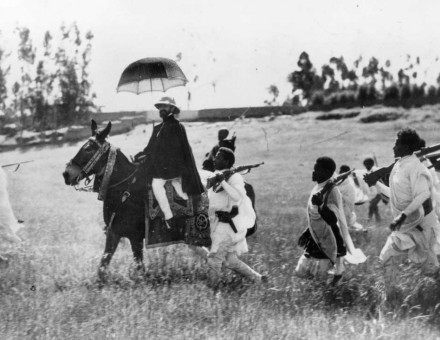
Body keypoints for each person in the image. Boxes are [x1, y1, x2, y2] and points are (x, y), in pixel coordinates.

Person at [377, 128, 440, 289]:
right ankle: (389, 297)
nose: (393, 147)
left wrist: (402, 216)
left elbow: (423, 195)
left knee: (431, 271)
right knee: (386, 257)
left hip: (424, 228)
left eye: (396, 143)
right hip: (406, 228)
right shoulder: (399, 167)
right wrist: (376, 184)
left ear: (405, 147)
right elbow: (397, 197)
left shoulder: (416, 168)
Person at [136, 97, 204, 229]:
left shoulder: (177, 126)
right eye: (160, 107)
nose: (162, 109)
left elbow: (179, 150)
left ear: (172, 109)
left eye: (165, 107)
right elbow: (150, 148)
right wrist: (141, 155)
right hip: (160, 167)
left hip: (173, 167)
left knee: (156, 185)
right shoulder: (157, 128)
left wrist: (161, 161)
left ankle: (169, 216)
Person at [296, 157, 365, 283]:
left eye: (316, 170)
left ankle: (338, 280)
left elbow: (332, 219)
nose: (313, 172)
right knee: (301, 272)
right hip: (316, 236)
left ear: (327, 173)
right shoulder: (320, 187)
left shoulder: (332, 192)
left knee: (321, 278)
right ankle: (336, 277)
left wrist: (321, 205)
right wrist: (308, 231)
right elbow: (314, 214)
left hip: (329, 237)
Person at [206, 147, 264, 285]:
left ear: (226, 161)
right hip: (220, 224)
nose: (214, 159)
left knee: (214, 258)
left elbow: (237, 196)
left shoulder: (235, 177)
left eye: (218, 157)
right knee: (230, 261)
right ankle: (259, 279)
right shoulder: (219, 174)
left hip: (228, 226)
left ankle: (213, 290)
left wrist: (223, 182)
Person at [337, 165, 364, 231]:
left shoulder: (349, 185)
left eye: (344, 172)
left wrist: (341, 196)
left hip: (346, 209)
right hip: (337, 208)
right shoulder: (337, 183)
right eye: (341, 171)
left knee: (345, 226)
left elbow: (351, 201)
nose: (341, 173)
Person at [363, 157, 388, 224]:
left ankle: (369, 220)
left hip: (379, 192)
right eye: (365, 165)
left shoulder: (375, 171)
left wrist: (384, 195)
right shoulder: (367, 172)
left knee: (372, 205)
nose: (367, 166)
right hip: (372, 193)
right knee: (374, 207)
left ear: (372, 164)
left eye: (368, 164)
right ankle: (378, 220)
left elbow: (382, 182)